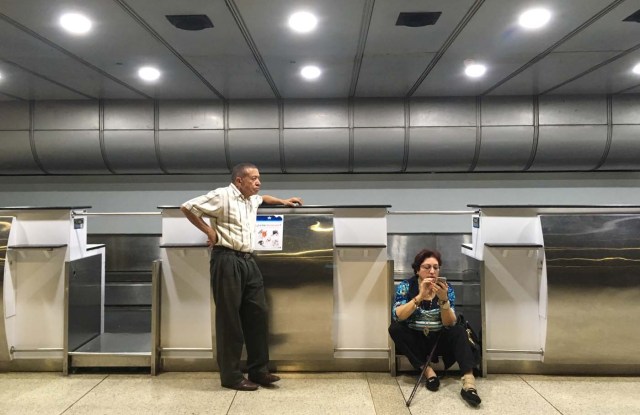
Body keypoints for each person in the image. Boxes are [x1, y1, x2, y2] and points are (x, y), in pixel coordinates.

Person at [180, 163, 303, 391]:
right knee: (229, 320)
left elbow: (263, 198)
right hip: (226, 260)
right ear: (239, 181)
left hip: (248, 261)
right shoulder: (222, 195)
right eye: (254, 178)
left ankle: (258, 370)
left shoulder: (250, 199)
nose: (259, 182)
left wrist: (283, 201)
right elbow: (187, 207)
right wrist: (208, 231)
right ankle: (231, 376)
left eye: (259, 177)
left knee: (258, 314)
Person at [388, 248, 482, 407]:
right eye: (426, 267)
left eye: (436, 267)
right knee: (395, 329)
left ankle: (469, 383)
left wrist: (443, 300)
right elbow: (398, 316)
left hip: (439, 338)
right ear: (417, 270)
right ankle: (428, 371)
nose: (432, 271)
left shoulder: (446, 288)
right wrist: (420, 296)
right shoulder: (406, 286)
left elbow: (449, 323)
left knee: (458, 329)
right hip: (416, 338)